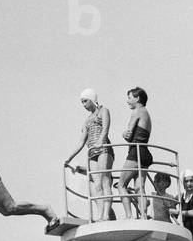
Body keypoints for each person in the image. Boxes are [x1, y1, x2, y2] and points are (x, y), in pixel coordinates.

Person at [65, 89, 114, 221]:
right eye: (82, 102)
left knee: (105, 181)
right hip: (92, 152)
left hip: (103, 149)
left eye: (85, 101)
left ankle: (106, 215)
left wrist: (101, 140)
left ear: (92, 100)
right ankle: (100, 214)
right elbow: (81, 141)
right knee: (96, 184)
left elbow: (105, 128)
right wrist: (69, 157)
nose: (84, 105)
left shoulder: (103, 111)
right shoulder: (87, 120)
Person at [118, 87, 153, 219]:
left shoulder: (137, 111)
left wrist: (123, 133)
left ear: (137, 98)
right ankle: (144, 215)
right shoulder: (146, 113)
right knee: (140, 189)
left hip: (136, 153)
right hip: (145, 153)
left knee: (121, 185)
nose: (128, 101)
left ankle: (129, 216)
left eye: (129, 97)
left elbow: (128, 134)